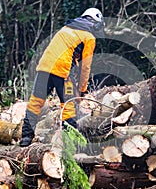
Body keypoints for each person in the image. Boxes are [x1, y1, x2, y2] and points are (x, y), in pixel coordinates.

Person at [19, 8, 105, 147]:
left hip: (44, 68)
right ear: (96, 24)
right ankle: (70, 145)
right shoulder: (88, 37)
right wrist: (82, 89)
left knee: (35, 102)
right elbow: (86, 66)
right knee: (68, 106)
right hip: (62, 71)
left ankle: (25, 138)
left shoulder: (66, 29)